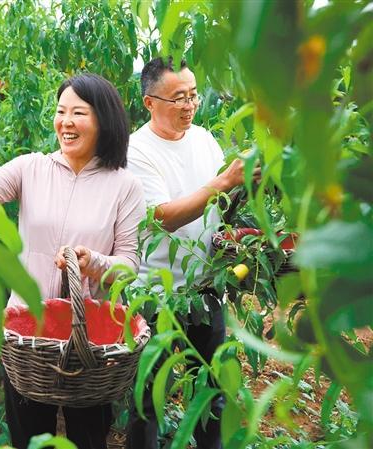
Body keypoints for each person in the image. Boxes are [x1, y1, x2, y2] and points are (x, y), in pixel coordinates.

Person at [0, 73, 146, 449]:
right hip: (28, 338)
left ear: (104, 120)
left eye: (78, 113)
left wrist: (94, 261)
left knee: (88, 438)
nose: (65, 122)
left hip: (89, 342)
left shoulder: (124, 186)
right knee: (30, 438)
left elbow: (129, 263)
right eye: (60, 111)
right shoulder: (31, 168)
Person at [126, 57, 258, 449]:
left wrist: (244, 194)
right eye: (179, 98)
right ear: (150, 102)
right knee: (147, 400)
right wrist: (224, 181)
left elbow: (220, 206)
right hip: (157, 296)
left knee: (212, 394)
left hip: (206, 291)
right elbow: (162, 217)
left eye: (194, 95)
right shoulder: (137, 151)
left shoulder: (203, 139)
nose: (190, 105)